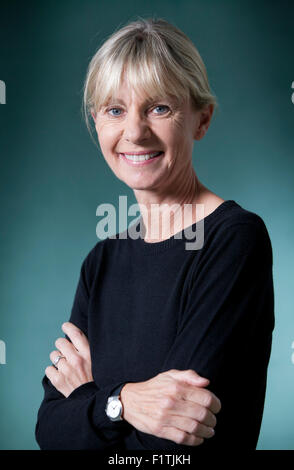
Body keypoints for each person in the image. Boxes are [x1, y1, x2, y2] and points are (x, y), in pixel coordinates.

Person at [35, 17, 274, 451]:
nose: (134, 132)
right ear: (97, 121)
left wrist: (90, 403)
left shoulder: (234, 240)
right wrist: (123, 403)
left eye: (159, 108)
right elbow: (50, 429)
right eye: (115, 110)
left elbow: (172, 446)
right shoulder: (101, 261)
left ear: (202, 120)